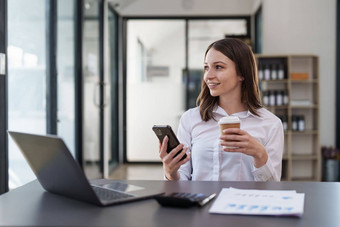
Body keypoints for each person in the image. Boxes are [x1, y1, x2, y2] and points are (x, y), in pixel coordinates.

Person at [159, 38, 284, 182]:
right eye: (206, 67)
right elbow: (181, 181)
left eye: (218, 67)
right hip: (201, 203)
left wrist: (260, 155)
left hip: (244, 203)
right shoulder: (191, 119)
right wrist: (170, 172)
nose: (208, 76)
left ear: (242, 73)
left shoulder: (271, 124)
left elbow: (272, 187)